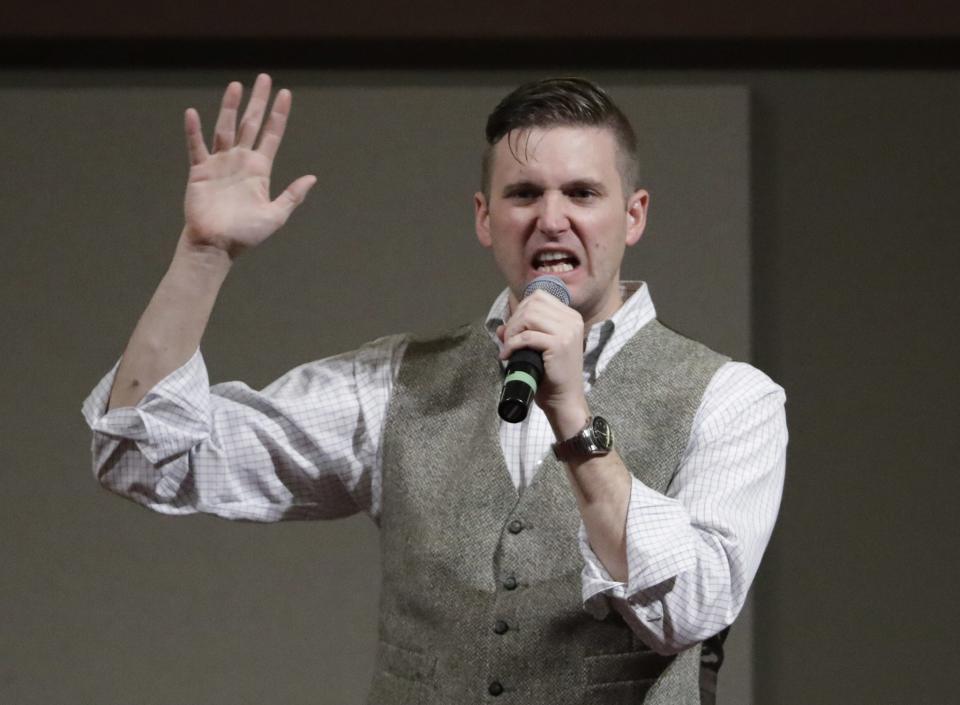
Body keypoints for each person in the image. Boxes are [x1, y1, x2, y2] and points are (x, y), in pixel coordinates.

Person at [83, 74, 786, 705]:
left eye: (581, 192)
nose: (551, 217)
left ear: (632, 215)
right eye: (523, 193)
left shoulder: (731, 399)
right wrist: (202, 255)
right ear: (485, 217)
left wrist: (572, 414)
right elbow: (145, 456)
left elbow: (692, 608)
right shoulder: (396, 384)